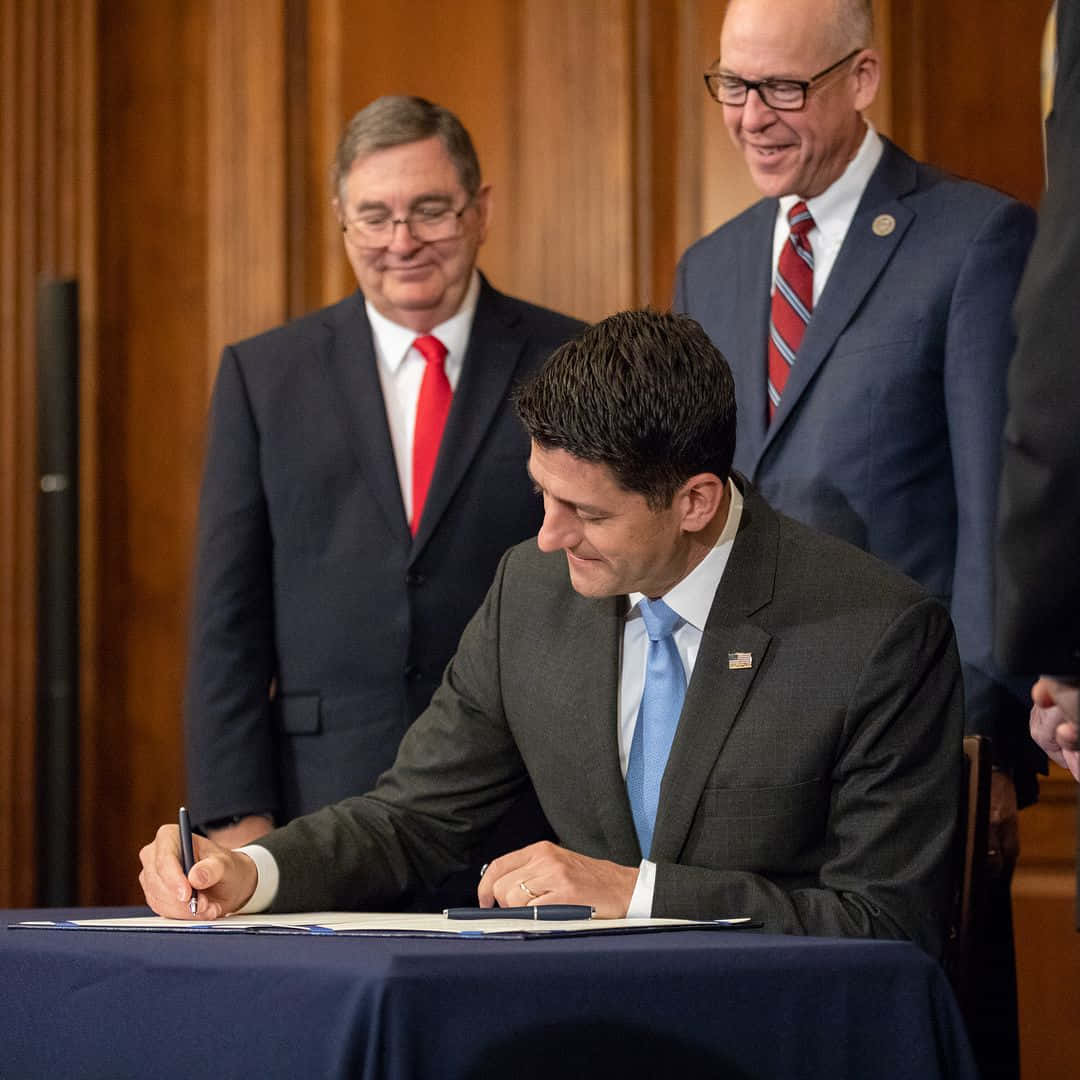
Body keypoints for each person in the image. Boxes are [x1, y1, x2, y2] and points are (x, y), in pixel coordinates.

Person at [140, 309, 962, 960]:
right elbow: (412, 818)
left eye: (588, 512)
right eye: (542, 494)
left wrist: (633, 893)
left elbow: (885, 922)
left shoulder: (877, 634)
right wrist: (252, 872)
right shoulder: (530, 594)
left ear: (696, 502)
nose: (548, 536)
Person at [673, 2, 1036, 1071]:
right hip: (748, 749)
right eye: (733, 87)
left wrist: (986, 744)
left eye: (782, 89)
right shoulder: (714, 264)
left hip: (915, 748)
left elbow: (996, 512)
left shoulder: (974, 236)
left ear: (863, 76)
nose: (751, 118)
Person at [183, 96, 584, 862]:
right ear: (341, 218)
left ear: (480, 210)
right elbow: (225, 617)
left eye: (430, 210)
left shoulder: (570, 361)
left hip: (527, 810)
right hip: (316, 807)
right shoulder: (264, 376)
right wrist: (233, 820)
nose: (402, 242)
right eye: (374, 216)